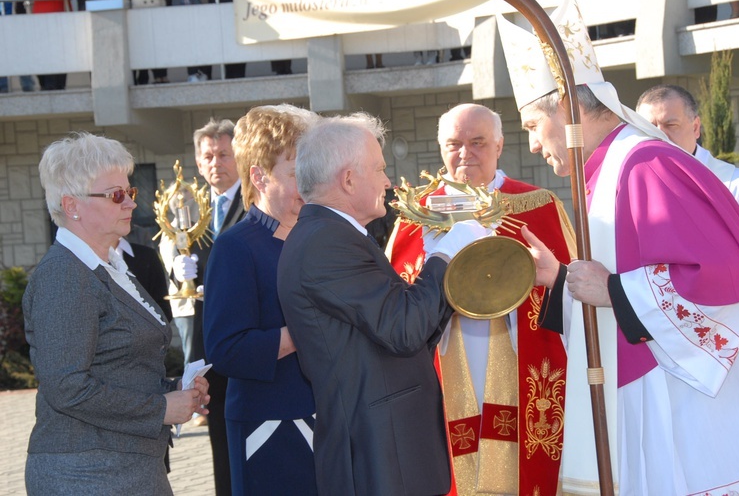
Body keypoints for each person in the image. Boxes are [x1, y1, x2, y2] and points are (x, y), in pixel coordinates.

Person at [498, 0, 739, 494]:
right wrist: (563, 281)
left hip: (677, 406)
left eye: (531, 125)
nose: (531, 144)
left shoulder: (644, 165)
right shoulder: (608, 170)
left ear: (567, 107)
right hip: (645, 389)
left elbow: (724, 276)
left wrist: (614, 288)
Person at [277, 111, 493, 496]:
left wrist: (451, 271)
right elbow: (403, 328)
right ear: (347, 179)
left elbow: (405, 327)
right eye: (378, 169)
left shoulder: (333, 235)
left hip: (388, 450)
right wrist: (443, 257)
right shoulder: (326, 242)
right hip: (377, 455)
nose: (388, 181)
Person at [388, 103, 576, 496]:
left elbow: (571, 287)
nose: (465, 154)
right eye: (454, 144)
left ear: (499, 145)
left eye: (477, 143)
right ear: (440, 147)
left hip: (520, 358)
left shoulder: (537, 205)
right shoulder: (414, 215)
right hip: (445, 362)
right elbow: (396, 299)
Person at [23, 132, 209, 495]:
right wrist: (159, 409)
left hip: (126, 467)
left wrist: (176, 391)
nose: (130, 205)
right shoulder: (64, 276)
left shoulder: (107, 266)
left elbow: (116, 367)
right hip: (86, 474)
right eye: (116, 195)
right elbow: (67, 387)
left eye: (131, 192)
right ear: (71, 205)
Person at [203, 104, 319, 494]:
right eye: (296, 174)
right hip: (268, 427)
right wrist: (301, 333)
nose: (309, 185)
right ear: (259, 176)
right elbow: (225, 349)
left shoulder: (319, 238)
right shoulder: (235, 246)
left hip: (328, 418)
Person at [159, 117, 243, 496]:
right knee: (220, 446)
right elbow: (181, 272)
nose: (215, 163)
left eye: (224, 154)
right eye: (207, 156)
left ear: (239, 156)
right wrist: (179, 274)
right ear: (197, 160)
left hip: (245, 338)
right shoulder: (190, 210)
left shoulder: (255, 200)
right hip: (208, 348)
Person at [636, 83, 739, 220]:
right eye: (649, 128)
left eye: (671, 125)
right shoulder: (631, 188)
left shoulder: (737, 185)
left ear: (696, 128)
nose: (659, 136)